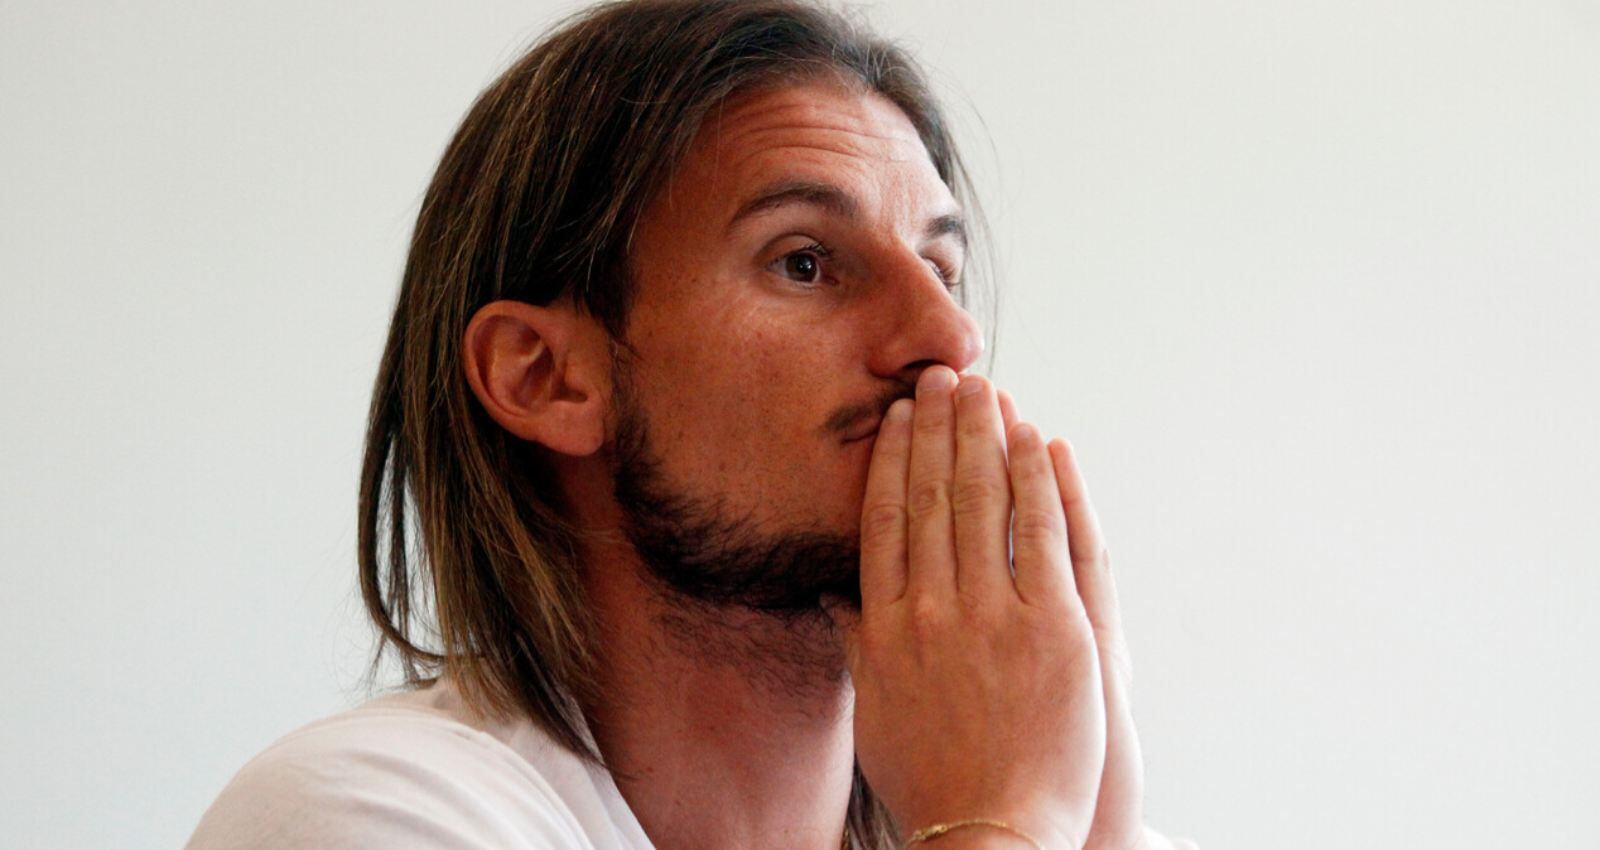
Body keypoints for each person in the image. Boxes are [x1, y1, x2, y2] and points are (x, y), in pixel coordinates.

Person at [188, 1, 1197, 848]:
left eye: (940, 267)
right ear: (545, 376)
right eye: (803, 261)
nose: (949, 337)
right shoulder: (353, 812)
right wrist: (999, 819)